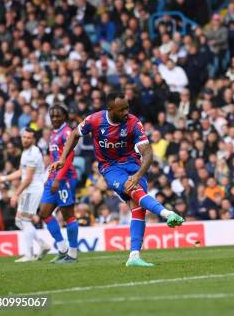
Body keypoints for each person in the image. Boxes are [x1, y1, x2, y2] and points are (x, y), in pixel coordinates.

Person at [50, 92, 184, 267]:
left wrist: (137, 175)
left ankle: (134, 256)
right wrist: (62, 159)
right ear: (110, 109)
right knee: (133, 190)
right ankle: (167, 214)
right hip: (110, 167)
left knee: (138, 207)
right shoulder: (96, 120)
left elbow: (148, 153)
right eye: (122, 109)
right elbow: (74, 134)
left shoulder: (133, 122)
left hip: (133, 164)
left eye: (127, 107)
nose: (126, 112)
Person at [0, 128, 51, 262]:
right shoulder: (25, 152)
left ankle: (29, 255)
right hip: (28, 189)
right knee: (19, 220)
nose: (25, 139)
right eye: (24, 137)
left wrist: (16, 194)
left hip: (32, 189)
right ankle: (41, 244)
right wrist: (3, 178)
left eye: (28, 137)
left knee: (24, 221)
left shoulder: (33, 153)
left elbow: (28, 178)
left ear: (33, 139)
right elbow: (21, 172)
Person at [39, 104, 80, 264]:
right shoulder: (53, 133)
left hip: (65, 179)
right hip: (53, 178)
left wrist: (58, 179)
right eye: (52, 116)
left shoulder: (67, 132)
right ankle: (62, 249)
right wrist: (50, 177)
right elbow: (53, 156)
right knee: (44, 212)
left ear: (65, 117)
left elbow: (69, 156)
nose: (55, 118)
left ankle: (73, 254)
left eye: (58, 116)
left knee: (68, 215)